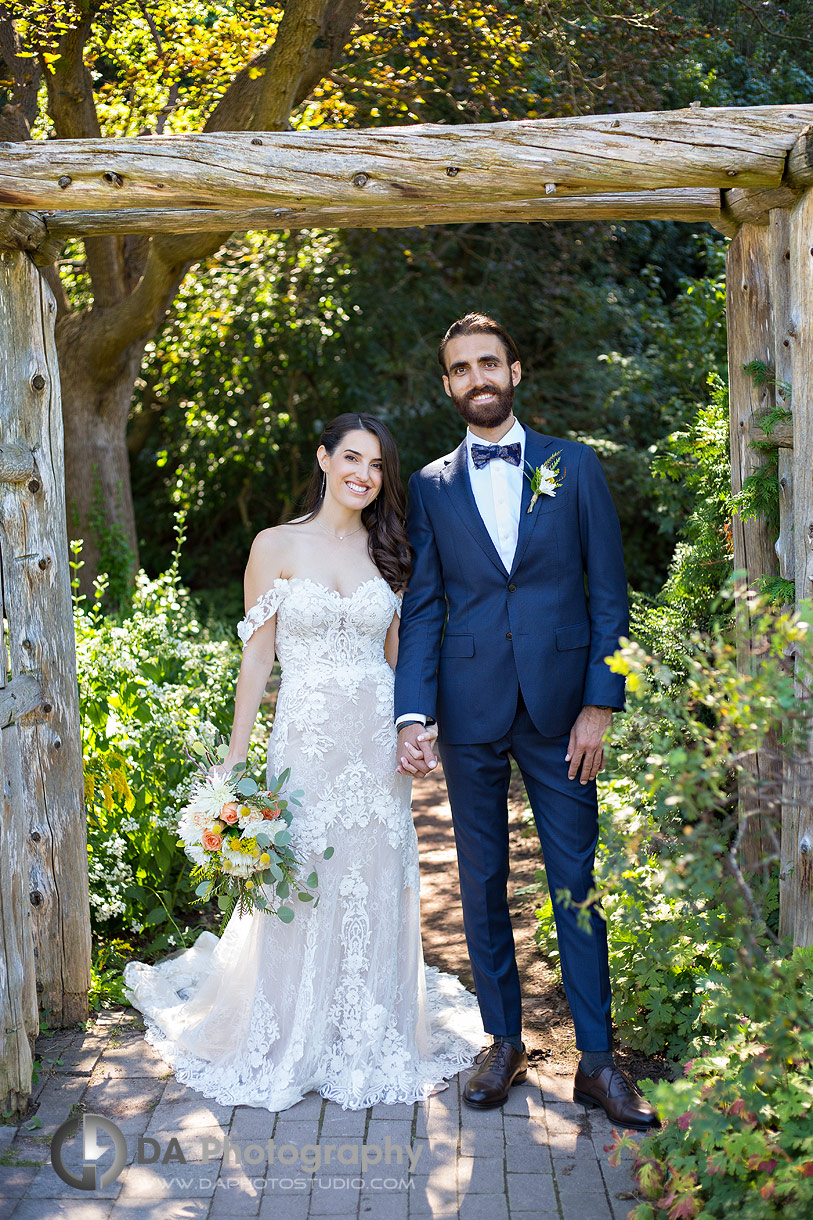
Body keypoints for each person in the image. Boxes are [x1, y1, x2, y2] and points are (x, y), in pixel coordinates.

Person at [124, 413, 483, 1111]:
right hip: (306, 740)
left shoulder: (391, 550)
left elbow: (398, 659)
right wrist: (236, 759)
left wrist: (418, 728)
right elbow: (257, 656)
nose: (364, 475)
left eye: (377, 466)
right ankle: (287, 1029)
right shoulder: (275, 545)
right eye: (352, 458)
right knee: (303, 877)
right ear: (323, 460)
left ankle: (366, 1028)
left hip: (375, 744)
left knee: (374, 870)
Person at [393, 314, 659, 1130]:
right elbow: (426, 604)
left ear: (515, 370)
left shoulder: (573, 469)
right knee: (479, 883)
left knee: (575, 884)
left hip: (560, 714)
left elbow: (608, 593)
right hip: (470, 710)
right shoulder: (430, 486)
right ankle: (501, 1041)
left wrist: (598, 703)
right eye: (460, 368)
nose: (476, 378)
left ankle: (598, 1063)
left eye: (488, 363)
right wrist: (414, 710)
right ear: (446, 384)